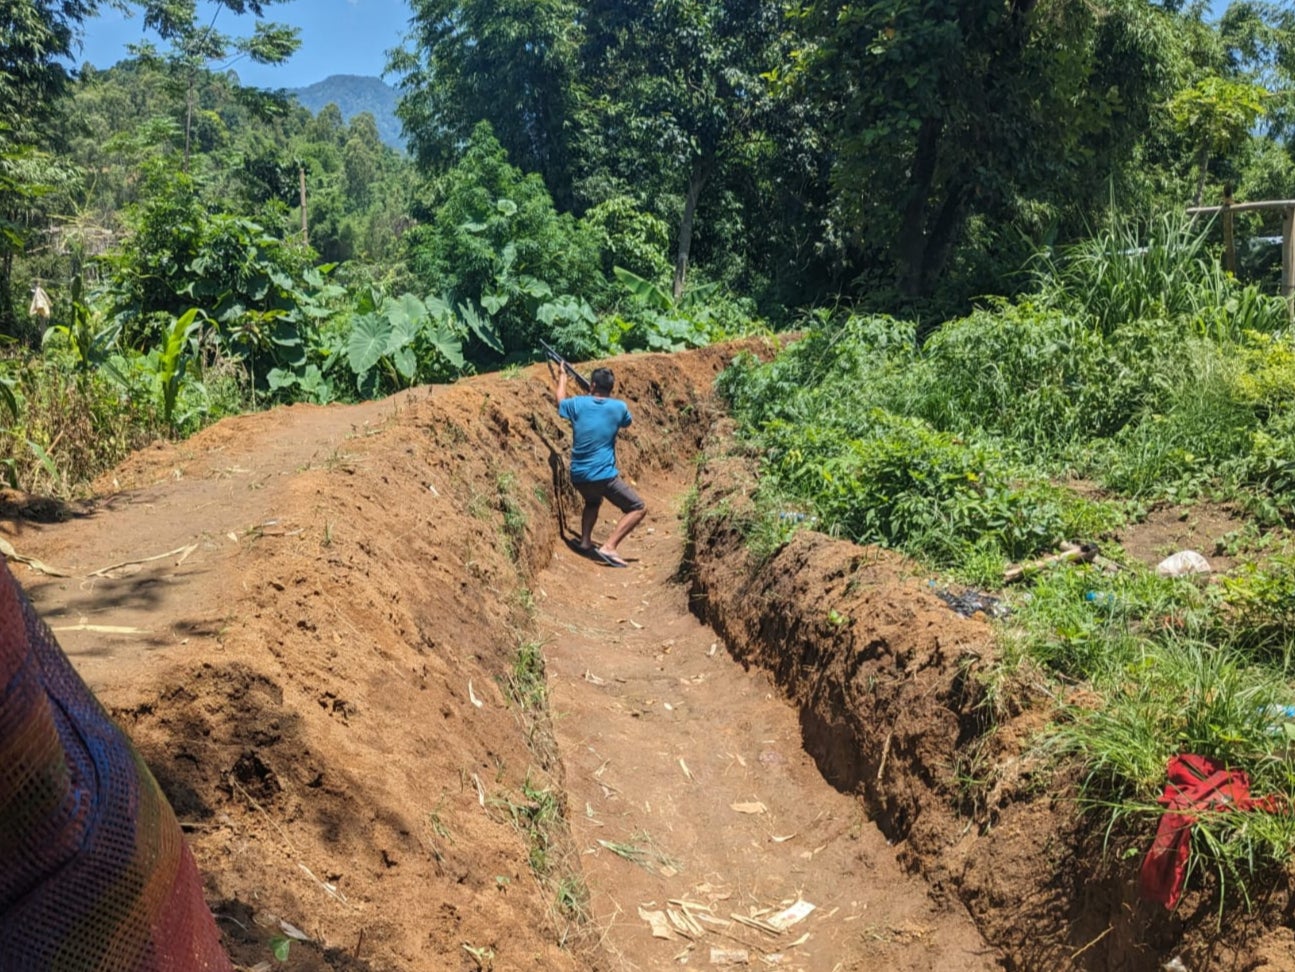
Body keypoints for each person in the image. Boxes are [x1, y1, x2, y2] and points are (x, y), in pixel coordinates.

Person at [555, 365, 646, 567]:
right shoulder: (619, 407)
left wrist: (562, 377)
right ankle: (609, 547)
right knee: (637, 508)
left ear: (593, 384)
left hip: (578, 476)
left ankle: (586, 541)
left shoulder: (578, 404)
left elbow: (560, 401)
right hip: (603, 477)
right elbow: (626, 423)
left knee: (593, 501)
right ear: (611, 388)